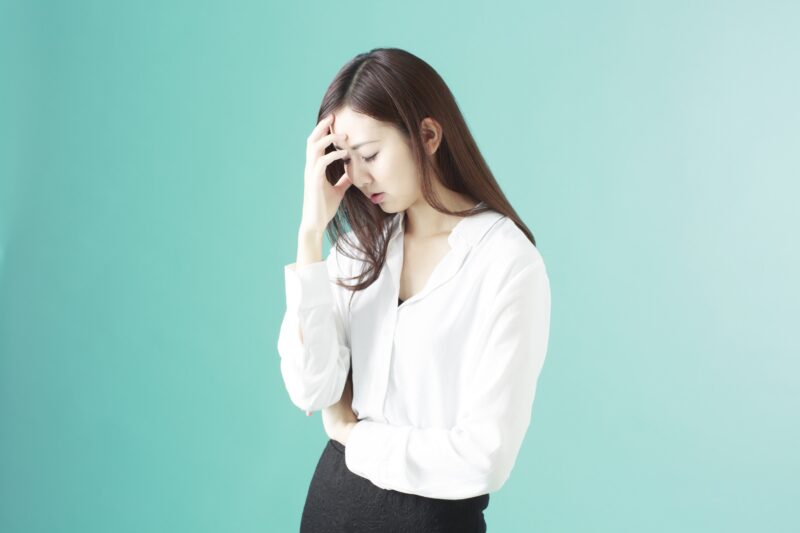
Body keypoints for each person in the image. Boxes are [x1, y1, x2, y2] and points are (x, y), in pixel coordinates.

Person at [277, 47, 552, 533]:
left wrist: (353, 436)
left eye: (370, 155)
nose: (358, 178)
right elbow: (310, 387)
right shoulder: (358, 248)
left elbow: (485, 458)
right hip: (332, 507)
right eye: (346, 161)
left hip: (433, 521)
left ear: (427, 135)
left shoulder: (506, 262)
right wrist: (309, 232)